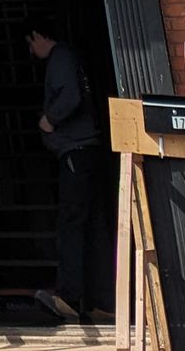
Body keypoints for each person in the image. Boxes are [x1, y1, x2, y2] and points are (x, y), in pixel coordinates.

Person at [26, 22, 108, 322]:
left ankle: (70, 298)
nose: (31, 52)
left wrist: (49, 119)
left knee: (71, 224)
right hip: (89, 151)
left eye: (30, 44)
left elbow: (70, 96)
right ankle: (104, 301)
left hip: (76, 152)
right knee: (94, 225)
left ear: (38, 35)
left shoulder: (60, 57)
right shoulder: (73, 57)